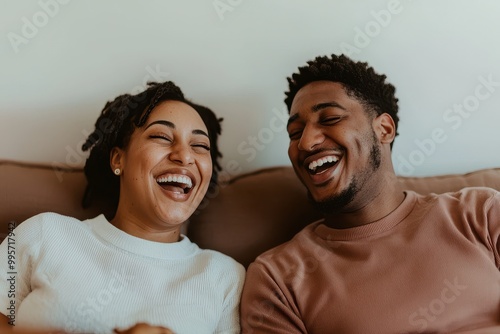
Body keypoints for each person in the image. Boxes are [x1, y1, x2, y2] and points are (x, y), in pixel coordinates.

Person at [240, 54, 500, 333]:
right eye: (294, 132)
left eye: (329, 118)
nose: (306, 142)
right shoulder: (277, 278)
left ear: (384, 129)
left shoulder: (481, 212)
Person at [0, 81, 245, 334]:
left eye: (200, 146)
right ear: (118, 159)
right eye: (161, 136)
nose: (184, 156)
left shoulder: (225, 277)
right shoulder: (44, 233)